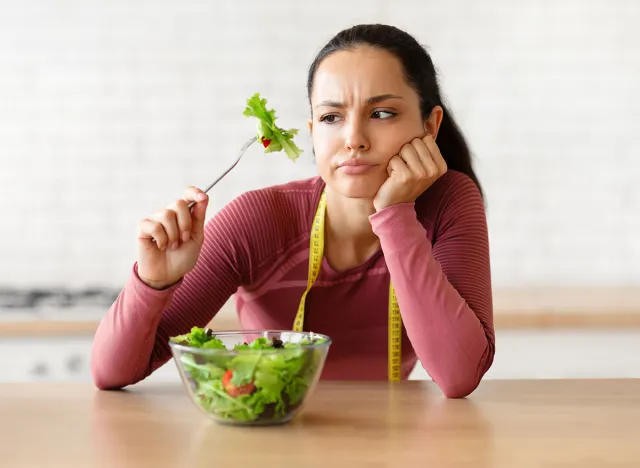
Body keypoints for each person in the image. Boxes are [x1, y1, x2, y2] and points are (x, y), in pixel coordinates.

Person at [91, 23, 495, 398]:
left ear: (430, 126)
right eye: (331, 117)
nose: (353, 138)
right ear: (313, 131)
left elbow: (459, 375)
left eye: (381, 113)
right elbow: (111, 373)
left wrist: (395, 215)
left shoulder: (448, 205)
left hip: (389, 444)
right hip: (269, 436)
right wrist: (153, 282)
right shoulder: (259, 221)